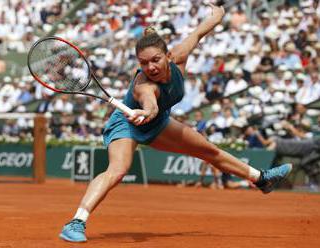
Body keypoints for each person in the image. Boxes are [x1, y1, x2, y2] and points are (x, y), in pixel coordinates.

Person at [60, 4, 292, 243]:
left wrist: (218, 15)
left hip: (157, 123)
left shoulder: (180, 55)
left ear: (169, 56)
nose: (150, 67)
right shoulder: (144, 85)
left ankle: (261, 178)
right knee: (117, 170)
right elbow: (149, 103)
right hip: (127, 124)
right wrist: (146, 112)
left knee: (208, 150)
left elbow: (199, 32)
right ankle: (76, 221)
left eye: (155, 60)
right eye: (143, 63)